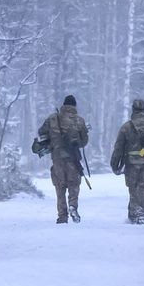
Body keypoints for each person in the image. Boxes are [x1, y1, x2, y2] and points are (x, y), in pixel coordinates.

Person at [110, 99, 144, 225]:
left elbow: (119, 147)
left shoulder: (127, 126)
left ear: (133, 109)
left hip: (131, 163)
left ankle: (134, 215)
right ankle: (143, 215)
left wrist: (115, 165)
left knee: (133, 189)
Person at [38, 95, 89, 224]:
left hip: (57, 158)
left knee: (60, 187)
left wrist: (51, 141)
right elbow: (84, 142)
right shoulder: (79, 121)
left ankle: (62, 216)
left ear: (64, 105)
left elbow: (41, 132)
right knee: (74, 184)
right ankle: (73, 206)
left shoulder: (52, 118)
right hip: (73, 158)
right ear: (74, 106)